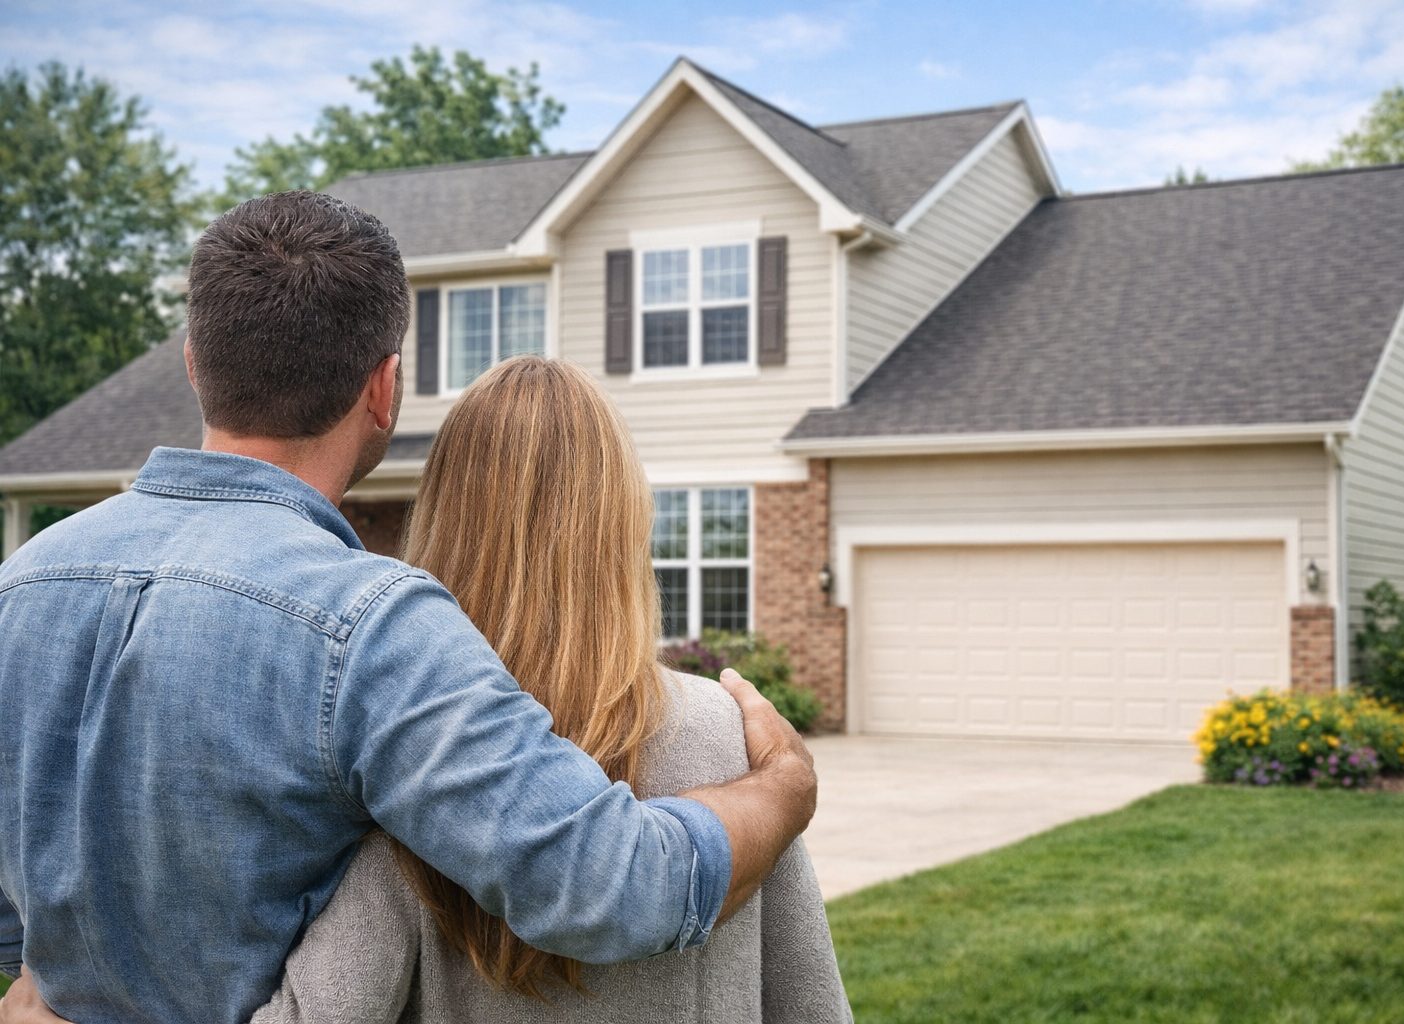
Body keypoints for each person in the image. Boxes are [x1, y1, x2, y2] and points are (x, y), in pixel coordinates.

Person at [0, 192, 817, 1024]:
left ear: (192, 362)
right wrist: (782, 790)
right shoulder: (365, 625)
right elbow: (608, 884)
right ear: (384, 389)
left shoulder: (21, 584)